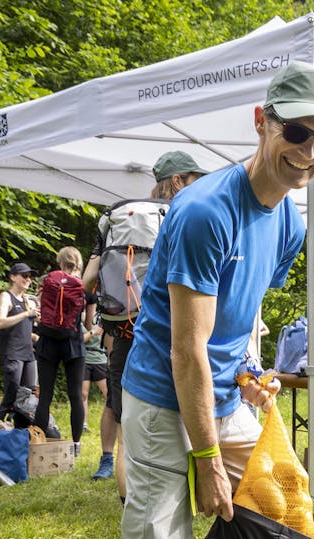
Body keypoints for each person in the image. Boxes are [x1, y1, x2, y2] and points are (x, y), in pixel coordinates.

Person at [115, 61, 314, 539]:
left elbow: (239, 317)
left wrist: (246, 368)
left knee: (288, 513)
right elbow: (187, 351)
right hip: (165, 400)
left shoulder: (288, 219)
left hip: (222, 399)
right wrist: (207, 463)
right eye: (296, 133)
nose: (309, 152)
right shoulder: (205, 211)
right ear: (262, 121)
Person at [83, 150, 208, 486]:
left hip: (124, 335)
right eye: (194, 180)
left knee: (127, 429)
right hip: (169, 333)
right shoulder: (181, 215)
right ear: (179, 180)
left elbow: (87, 281)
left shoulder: (116, 218)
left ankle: (129, 507)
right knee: (179, 419)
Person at [34, 246, 87, 448]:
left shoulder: (49, 281)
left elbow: (42, 309)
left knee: (45, 395)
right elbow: (87, 322)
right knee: (75, 394)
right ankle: (75, 445)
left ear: (60, 261)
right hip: (73, 343)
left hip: (47, 342)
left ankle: (38, 444)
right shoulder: (83, 286)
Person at [0, 263, 38, 428]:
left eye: (30, 277)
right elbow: (0, 322)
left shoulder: (28, 300)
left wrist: (34, 336)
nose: (28, 279)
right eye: (24, 276)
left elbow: (22, 329)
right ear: (12, 277)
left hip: (28, 354)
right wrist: (27, 314)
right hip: (13, 354)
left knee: (27, 398)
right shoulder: (6, 296)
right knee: (11, 397)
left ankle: (20, 435)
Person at [81, 318, 107, 437]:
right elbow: (79, 340)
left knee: (108, 394)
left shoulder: (101, 317)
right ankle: (83, 425)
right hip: (84, 358)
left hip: (100, 359)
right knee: (83, 394)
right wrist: (93, 332)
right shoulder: (79, 318)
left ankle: (108, 422)